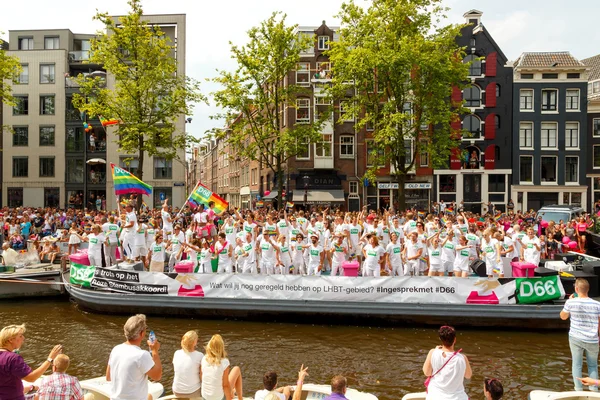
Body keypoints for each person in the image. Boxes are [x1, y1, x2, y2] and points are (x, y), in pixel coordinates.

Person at [106, 314, 162, 400]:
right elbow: (157, 376)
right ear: (142, 333)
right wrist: (155, 351)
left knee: (149, 397)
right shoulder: (142, 355)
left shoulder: (115, 349)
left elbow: (109, 377)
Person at [0, 324, 63, 400]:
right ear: (10, 340)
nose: (23, 338)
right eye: (20, 336)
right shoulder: (13, 358)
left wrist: (30, 387)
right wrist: (50, 359)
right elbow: (31, 378)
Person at [560, 278, 600, 392]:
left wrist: (569, 301)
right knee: (593, 365)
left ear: (576, 289)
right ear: (588, 289)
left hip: (575, 338)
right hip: (592, 339)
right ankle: (594, 390)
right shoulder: (597, 304)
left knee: (577, 364)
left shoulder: (571, 302)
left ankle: (578, 389)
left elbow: (563, 317)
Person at [422, 325, 472, 400]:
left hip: (435, 397)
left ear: (440, 339)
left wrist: (435, 350)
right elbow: (468, 375)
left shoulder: (433, 353)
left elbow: (427, 373)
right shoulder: (462, 358)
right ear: (454, 340)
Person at [201, 334, 243, 400]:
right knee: (236, 369)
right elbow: (225, 385)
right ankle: (240, 398)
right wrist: (229, 398)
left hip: (205, 396)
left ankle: (233, 391)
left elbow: (202, 376)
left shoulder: (204, 359)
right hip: (218, 398)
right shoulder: (224, 362)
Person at [172, 331, 203, 399]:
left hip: (177, 391)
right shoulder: (200, 356)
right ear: (194, 342)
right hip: (192, 392)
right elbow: (202, 376)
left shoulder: (176, 353)